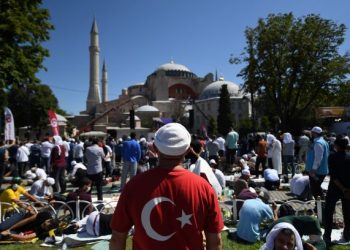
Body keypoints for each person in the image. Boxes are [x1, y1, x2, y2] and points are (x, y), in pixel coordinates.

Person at [110, 123, 224, 250]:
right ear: (187, 150)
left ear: (155, 148)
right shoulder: (204, 188)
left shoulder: (133, 186)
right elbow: (215, 240)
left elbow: (117, 238)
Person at [323, 136, 350, 244]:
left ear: (337, 146)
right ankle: (347, 235)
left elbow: (333, 176)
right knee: (347, 214)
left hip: (335, 187)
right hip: (348, 189)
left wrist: (342, 189)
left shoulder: (332, 157)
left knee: (328, 213)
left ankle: (327, 236)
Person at [305, 126, 329, 200]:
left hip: (317, 171)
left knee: (316, 190)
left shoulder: (318, 143)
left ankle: (322, 207)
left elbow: (318, 158)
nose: (310, 134)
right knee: (317, 189)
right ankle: (319, 207)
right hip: (320, 170)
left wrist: (313, 170)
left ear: (314, 133)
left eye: (311, 133)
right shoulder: (322, 141)